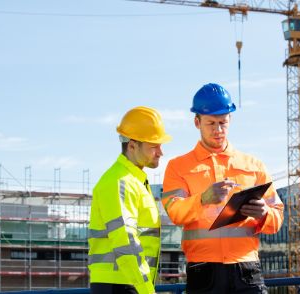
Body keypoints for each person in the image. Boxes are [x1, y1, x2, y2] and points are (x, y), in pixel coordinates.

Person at [162, 83, 284, 293]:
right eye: (211, 123)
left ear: (230, 120)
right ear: (196, 122)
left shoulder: (254, 166)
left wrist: (264, 214)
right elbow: (175, 212)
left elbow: (278, 218)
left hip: (246, 268)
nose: (218, 130)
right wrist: (202, 199)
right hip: (204, 270)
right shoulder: (178, 167)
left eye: (223, 123)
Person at [88, 106, 171, 294]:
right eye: (154, 146)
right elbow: (125, 241)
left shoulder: (133, 180)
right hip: (121, 284)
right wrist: (146, 289)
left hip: (126, 282)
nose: (160, 152)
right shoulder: (120, 182)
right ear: (132, 146)